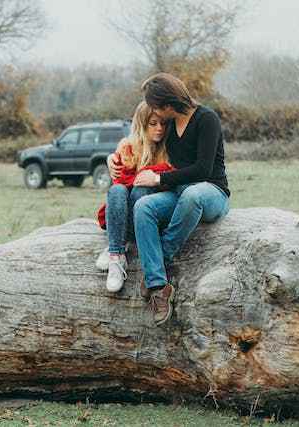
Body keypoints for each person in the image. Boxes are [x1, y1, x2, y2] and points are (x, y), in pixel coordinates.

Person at [132, 73, 231, 326]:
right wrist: (114, 159)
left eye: (156, 106)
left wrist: (158, 180)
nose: (154, 112)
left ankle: (160, 260)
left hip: (210, 193)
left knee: (192, 194)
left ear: (167, 104)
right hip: (178, 193)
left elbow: (203, 170)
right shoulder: (169, 126)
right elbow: (140, 139)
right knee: (144, 207)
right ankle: (158, 286)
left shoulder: (206, 119)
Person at [95, 101, 171, 293]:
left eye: (163, 124)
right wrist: (112, 160)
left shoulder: (169, 147)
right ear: (141, 124)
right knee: (117, 190)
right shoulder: (129, 147)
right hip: (125, 210)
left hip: (148, 218)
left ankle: (116, 243)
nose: (159, 129)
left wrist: (149, 176)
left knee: (141, 190)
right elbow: (119, 178)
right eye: (153, 124)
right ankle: (116, 255)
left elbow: (170, 174)